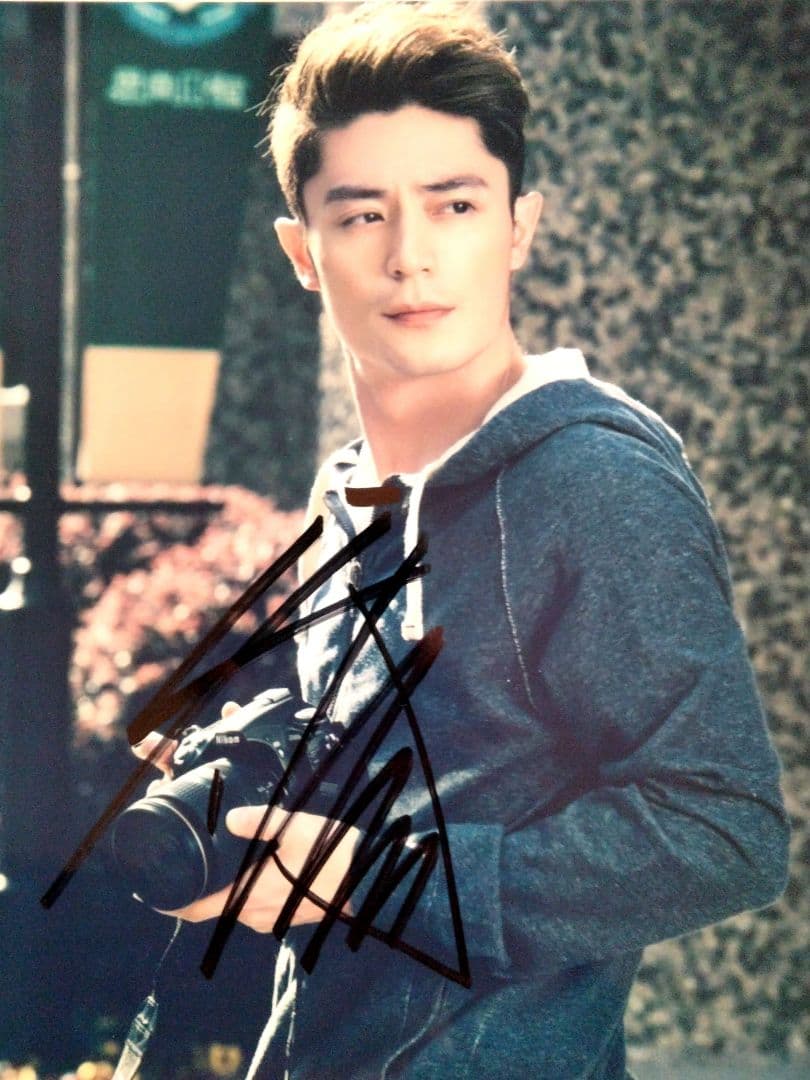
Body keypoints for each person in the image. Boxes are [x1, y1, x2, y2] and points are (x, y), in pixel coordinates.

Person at [139, 3, 789, 1076]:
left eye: (454, 205)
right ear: (303, 253)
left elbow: (726, 831)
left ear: (518, 228)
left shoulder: (592, 483)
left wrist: (373, 882)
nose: (411, 257)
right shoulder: (355, 489)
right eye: (362, 215)